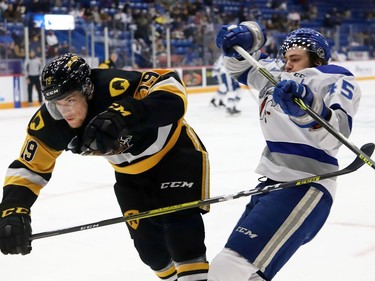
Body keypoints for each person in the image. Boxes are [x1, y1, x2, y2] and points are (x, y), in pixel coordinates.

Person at [0, 53, 210, 281]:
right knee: (151, 252)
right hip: (130, 176)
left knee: (181, 233)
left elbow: (172, 89)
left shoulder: (115, 86)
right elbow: (28, 166)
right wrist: (13, 208)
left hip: (175, 155)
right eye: (57, 103)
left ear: (87, 90)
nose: (65, 111)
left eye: (70, 100)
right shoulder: (52, 121)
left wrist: (126, 113)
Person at [208, 22, 361, 280]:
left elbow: (337, 134)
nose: (288, 64)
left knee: (230, 266)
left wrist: (306, 107)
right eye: (286, 58)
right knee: (250, 274)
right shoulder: (275, 74)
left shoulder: (336, 77)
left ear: (318, 59)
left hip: (306, 184)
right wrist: (242, 39)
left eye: (296, 59)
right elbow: (240, 65)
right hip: (271, 183)